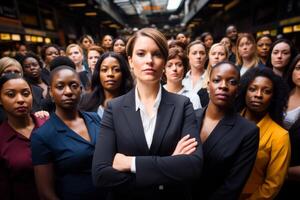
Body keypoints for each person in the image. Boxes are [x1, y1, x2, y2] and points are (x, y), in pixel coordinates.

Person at [92, 28, 203, 200]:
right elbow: (101, 174)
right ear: (130, 61)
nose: (149, 61)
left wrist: (131, 163)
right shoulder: (114, 108)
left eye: (157, 54)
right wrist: (171, 164)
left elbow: (193, 166)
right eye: (141, 53)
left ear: (164, 62)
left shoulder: (182, 105)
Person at [31, 66, 107, 200]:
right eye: (60, 86)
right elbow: (45, 192)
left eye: (73, 85)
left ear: (81, 90)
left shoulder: (95, 118)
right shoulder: (42, 136)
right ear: (51, 92)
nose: (68, 92)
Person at [192, 61, 259, 200]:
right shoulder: (190, 116)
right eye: (217, 80)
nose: (223, 86)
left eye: (232, 82)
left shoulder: (248, 131)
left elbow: (233, 186)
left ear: (238, 90)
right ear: (208, 85)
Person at [236, 67, 290, 199]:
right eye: (252, 89)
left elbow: (273, 184)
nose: (258, 95)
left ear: (274, 97)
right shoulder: (228, 121)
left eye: (266, 91)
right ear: (244, 91)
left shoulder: (279, 136)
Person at [0, 74, 48, 200]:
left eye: (26, 93)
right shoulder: (1, 139)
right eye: (11, 94)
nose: (20, 99)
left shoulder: (48, 123)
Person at [80, 52, 134, 117]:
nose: (110, 74)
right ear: (98, 74)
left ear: (124, 73)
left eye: (116, 70)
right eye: (104, 70)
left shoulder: (134, 103)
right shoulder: (85, 101)